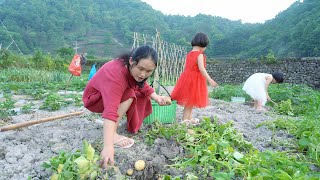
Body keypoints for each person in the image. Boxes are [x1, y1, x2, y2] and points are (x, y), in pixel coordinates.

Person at [82, 45, 167, 168]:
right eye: (141, 68)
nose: (143, 74)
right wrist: (108, 146)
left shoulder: (131, 69)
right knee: (130, 94)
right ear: (132, 61)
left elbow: (143, 85)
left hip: (106, 95)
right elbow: (110, 110)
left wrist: (157, 97)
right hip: (94, 99)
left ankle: (112, 129)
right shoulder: (116, 75)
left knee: (141, 95)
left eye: (148, 71)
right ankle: (113, 134)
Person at [171, 32, 218, 125]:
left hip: (186, 78)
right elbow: (202, 69)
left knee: (190, 100)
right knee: (190, 101)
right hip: (195, 80)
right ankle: (185, 119)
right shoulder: (200, 55)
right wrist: (209, 79)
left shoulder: (189, 54)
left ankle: (188, 117)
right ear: (203, 44)